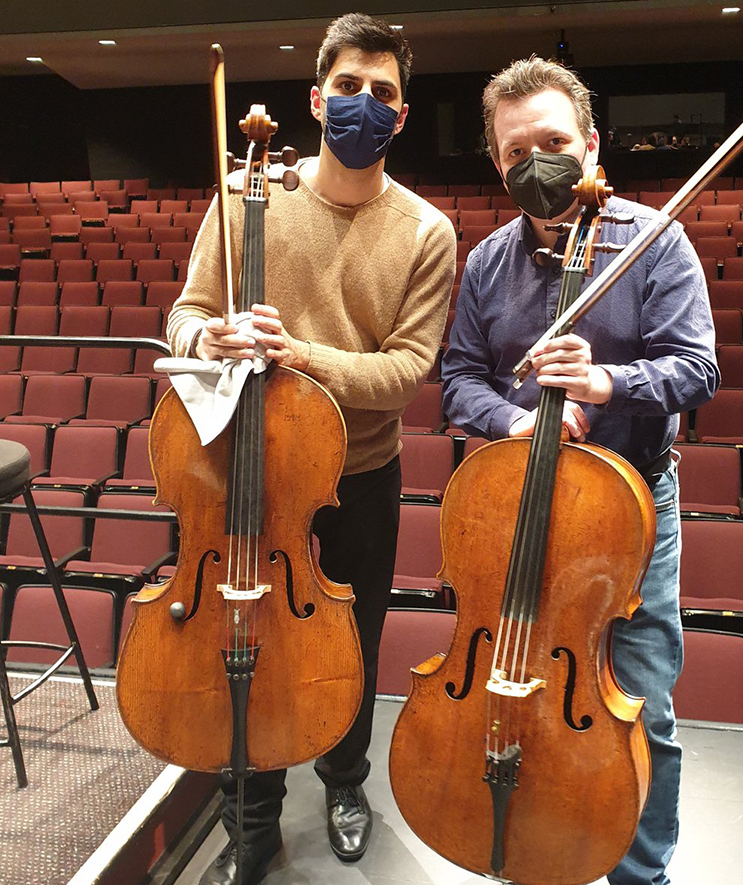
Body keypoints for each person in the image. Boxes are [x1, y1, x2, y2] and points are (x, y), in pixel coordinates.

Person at [167, 13, 457, 885]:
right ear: (316, 97)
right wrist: (208, 336)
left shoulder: (424, 231)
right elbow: (183, 313)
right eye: (347, 87)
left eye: (382, 93)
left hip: (360, 472)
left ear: (401, 117)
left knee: (352, 644)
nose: (362, 103)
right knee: (240, 635)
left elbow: (406, 371)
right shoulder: (246, 195)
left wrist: (300, 354)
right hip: (247, 469)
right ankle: (249, 814)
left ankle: (344, 781)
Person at [441, 57, 719, 885]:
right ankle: (529, 851)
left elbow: (697, 368)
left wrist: (608, 382)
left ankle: (640, 873)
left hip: (631, 508)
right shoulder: (489, 261)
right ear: (497, 162)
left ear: (592, 144)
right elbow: (460, 377)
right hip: (519, 503)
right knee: (512, 687)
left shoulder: (654, 241)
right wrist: (518, 419)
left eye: (556, 142)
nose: (539, 164)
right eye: (517, 150)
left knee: (640, 708)